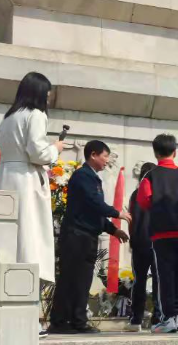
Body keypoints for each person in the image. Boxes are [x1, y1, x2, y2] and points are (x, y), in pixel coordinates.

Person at [0, 72, 71, 286]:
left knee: (4, 227)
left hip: (5, 176)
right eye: (46, 95)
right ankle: (25, 278)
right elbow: (37, 153)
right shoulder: (36, 115)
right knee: (28, 229)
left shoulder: (9, 117)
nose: (47, 99)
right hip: (25, 178)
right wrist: (55, 149)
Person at [50, 140, 130, 334]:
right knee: (71, 279)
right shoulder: (83, 176)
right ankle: (60, 322)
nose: (107, 161)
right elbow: (93, 203)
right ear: (93, 155)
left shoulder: (92, 178)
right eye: (105, 156)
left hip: (86, 236)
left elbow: (94, 213)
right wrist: (117, 213)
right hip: (76, 236)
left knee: (82, 280)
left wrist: (113, 230)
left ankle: (77, 321)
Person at [137, 133, 178, 334]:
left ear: (155, 153)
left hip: (162, 232)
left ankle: (168, 317)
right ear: (175, 152)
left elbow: (144, 200)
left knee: (165, 275)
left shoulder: (150, 176)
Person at [126, 162, 161, 332]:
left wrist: (132, 237)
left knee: (139, 280)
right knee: (158, 280)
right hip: (157, 241)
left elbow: (131, 219)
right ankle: (157, 318)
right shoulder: (159, 194)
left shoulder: (135, 194)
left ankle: (136, 319)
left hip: (139, 241)